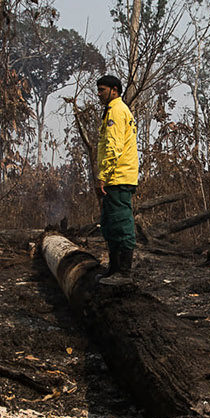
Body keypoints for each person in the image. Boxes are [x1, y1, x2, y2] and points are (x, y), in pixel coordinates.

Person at [94, 74, 138, 283]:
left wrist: (103, 176)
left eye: (102, 90)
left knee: (121, 223)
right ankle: (114, 268)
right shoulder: (114, 110)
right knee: (109, 223)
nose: (99, 94)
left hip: (118, 177)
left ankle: (124, 272)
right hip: (115, 177)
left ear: (114, 90)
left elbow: (113, 147)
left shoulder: (117, 112)